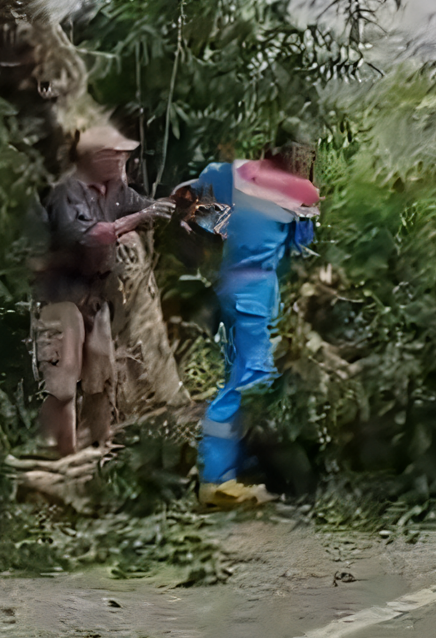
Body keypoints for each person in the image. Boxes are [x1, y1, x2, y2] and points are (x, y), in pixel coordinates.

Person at [175, 124, 321, 510]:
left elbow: (199, 202)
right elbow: (302, 245)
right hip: (257, 291)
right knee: (250, 377)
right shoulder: (301, 190)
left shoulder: (229, 173)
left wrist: (228, 231)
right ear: (300, 155)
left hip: (228, 283)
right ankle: (216, 480)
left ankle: (238, 464)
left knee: (238, 368)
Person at [31, 122, 175, 458]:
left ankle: (100, 449)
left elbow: (146, 208)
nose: (120, 159)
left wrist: (178, 207)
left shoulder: (115, 192)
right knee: (63, 385)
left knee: (101, 379)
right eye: (112, 154)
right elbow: (85, 235)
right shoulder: (67, 192)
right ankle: (61, 456)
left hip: (95, 301)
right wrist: (136, 219)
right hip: (62, 299)